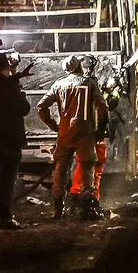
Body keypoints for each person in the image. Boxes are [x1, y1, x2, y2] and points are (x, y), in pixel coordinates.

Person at [38, 54, 108, 220]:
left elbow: (41, 106)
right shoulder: (89, 83)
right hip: (85, 133)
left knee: (60, 170)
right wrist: (101, 129)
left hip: (64, 134)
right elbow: (103, 108)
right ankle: (87, 208)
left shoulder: (58, 85)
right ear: (79, 67)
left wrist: (54, 125)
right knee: (87, 170)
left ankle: (58, 210)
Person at [0, 52, 31, 229]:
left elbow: (3, 82)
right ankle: (6, 217)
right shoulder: (10, 86)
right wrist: (22, 94)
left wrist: (17, 75)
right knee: (7, 179)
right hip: (10, 137)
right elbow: (23, 108)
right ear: (7, 66)